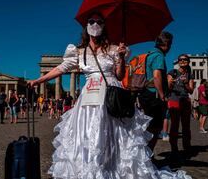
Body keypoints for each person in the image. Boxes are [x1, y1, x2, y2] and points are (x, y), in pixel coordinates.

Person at [28, 13, 190, 178]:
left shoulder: (114, 49)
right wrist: (38, 80)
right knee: (89, 135)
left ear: (104, 26)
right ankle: (91, 170)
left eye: (99, 21)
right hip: (89, 99)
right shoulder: (78, 51)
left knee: (113, 135)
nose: (95, 24)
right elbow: (60, 69)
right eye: (91, 21)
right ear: (86, 27)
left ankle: (112, 169)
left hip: (111, 95)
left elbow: (120, 75)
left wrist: (120, 57)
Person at [136, 31, 173, 153]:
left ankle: (145, 155)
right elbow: (157, 76)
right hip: (154, 95)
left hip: (145, 93)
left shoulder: (149, 54)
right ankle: (148, 156)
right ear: (167, 44)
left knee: (147, 127)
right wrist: (162, 95)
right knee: (155, 128)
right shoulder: (159, 56)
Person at [167, 55, 194, 158]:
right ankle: (174, 148)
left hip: (185, 101)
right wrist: (171, 83)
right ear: (178, 62)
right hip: (174, 100)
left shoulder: (189, 75)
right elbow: (168, 87)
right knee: (174, 125)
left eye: (185, 59)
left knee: (186, 126)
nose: (183, 61)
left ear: (188, 61)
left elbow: (191, 90)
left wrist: (186, 83)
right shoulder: (172, 72)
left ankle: (187, 147)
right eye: (180, 59)